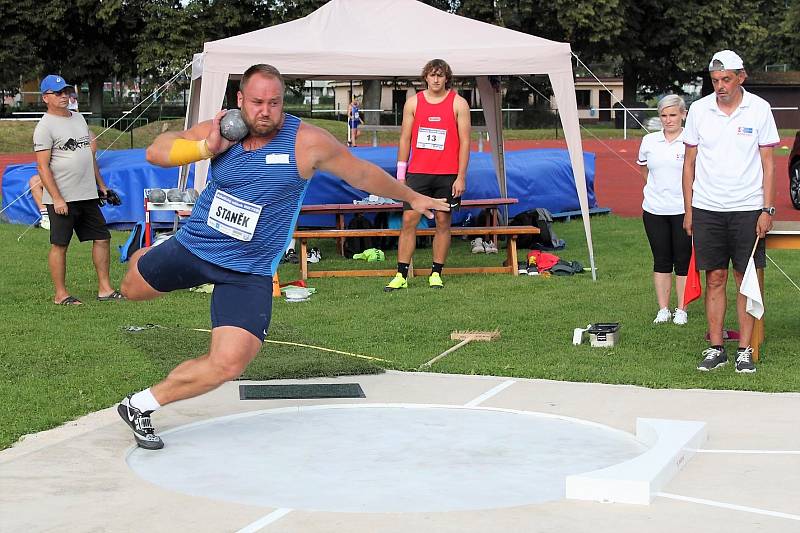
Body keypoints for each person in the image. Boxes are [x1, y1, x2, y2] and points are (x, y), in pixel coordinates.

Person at [116, 64, 449, 449]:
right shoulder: (222, 129)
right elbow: (156, 152)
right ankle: (148, 254)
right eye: (257, 102)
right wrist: (205, 147)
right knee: (133, 289)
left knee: (229, 363)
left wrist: (410, 195)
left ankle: (140, 405)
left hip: (248, 270)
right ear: (240, 100)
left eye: (274, 102)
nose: (265, 111)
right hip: (195, 246)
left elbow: (360, 173)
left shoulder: (306, 142)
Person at [682, 50, 779, 374]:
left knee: (744, 278)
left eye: (726, 79)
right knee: (715, 278)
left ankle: (744, 351)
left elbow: (768, 164)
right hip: (708, 207)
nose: (720, 86)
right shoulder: (698, 110)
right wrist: (689, 209)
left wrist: (766, 209)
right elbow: (689, 163)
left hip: (748, 208)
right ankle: (716, 347)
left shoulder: (760, 109)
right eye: (714, 80)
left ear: (741, 77)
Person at [33, 74, 122, 305]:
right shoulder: (44, 127)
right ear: (46, 98)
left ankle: (105, 289)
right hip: (62, 198)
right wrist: (57, 198)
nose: (64, 96)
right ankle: (60, 294)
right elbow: (42, 167)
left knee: (102, 238)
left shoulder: (79, 118)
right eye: (58, 93)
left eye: (66, 92)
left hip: (87, 194)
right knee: (60, 245)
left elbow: (88, 155)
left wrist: (101, 186)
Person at [385, 58, 471, 291]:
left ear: (446, 78)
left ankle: (436, 273)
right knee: (408, 220)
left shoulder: (459, 103)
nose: (435, 79)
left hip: (447, 175)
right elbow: (404, 138)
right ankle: (401, 275)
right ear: (425, 77)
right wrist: (401, 175)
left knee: (443, 222)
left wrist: (461, 176)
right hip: (418, 174)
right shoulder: (413, 103)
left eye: (440, 75)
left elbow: (465, 142)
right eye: (432, 75)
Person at [637, 94, 691, 325]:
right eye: (664, 116)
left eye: (673, 115)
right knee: (661, 260)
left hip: (683, 209)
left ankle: (682, 309)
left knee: (683, 260)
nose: (668, 120)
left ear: (683, 115)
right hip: (654, 210)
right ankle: (663, 309)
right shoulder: (649, 141)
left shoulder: (691, 141)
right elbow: (644, 170)